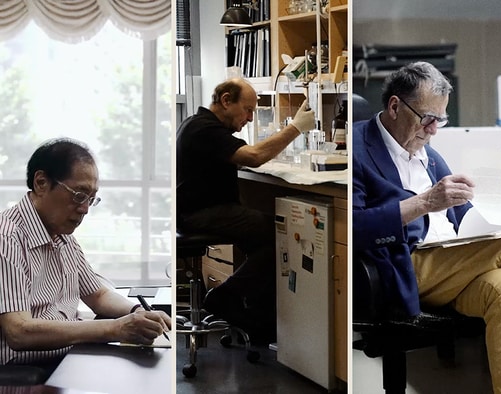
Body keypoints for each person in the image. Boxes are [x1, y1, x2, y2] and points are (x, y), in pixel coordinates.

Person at [353, 61, 501, 394]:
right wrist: (425, 203)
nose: (434, 130)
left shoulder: (429, 155)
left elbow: (464, 217)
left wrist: (493, 216)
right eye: (428, 119)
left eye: (440, 121)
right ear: (394, 107)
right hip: (406, 266)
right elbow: (356, 228)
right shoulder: (359, 149)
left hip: (454, 265)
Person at [0, 138, 171, 379]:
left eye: (91, 198)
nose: (85, 209)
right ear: (41, 183)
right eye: (79, 195)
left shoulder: (62, 235)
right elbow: (19, 332)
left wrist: (138, 311)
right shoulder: (7, 237)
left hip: (67, 356)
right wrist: (115, 328)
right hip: (26, 372)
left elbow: (98, 294)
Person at [176, 78, 316, 343]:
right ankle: (226, 297)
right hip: (200, 214)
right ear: (226, 100)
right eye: (248, 110)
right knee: (280, 235)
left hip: (199, 211)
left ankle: (253, 314)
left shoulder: (198, 125)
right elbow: (253, 156)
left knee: (264, 240)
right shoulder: (204, 129)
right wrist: (296, 128)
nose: (250, 118)